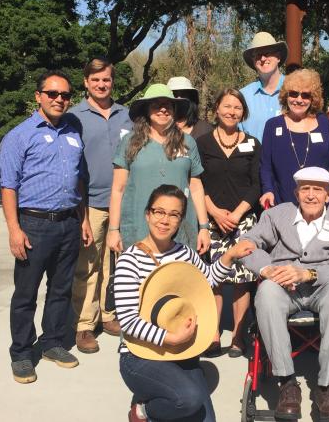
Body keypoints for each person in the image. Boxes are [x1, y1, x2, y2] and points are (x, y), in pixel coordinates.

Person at [115, 184, 255, 422]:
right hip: (140, 356)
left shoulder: (185, 254)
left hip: (181, 352)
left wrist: (230, 256)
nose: (165, 220)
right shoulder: (130, 260)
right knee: (188, 400)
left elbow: (208, 279)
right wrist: (169, 338)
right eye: (159, 212)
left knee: (206, 418)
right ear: (147, 214)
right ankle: (143, 410)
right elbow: (128, 321)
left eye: (174, 214)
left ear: (180, 220)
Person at [0, 70, 93, 384]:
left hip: (68, 223)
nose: (59, 99)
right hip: (34, 225)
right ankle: (22, 354)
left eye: (64, 95)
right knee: (26, 293)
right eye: (52, 93)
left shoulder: (72, 132)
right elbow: (9, 186)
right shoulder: (20, 136)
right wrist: (14, 229)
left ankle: (52, 343)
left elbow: (80, 179)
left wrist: (83, 219)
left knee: (61, 289)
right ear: (38, 96)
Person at [241, 167, 329, 422]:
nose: (311, 195)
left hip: (321, 286)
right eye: (306, 189)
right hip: (283, 287)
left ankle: (326, 387)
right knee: (266, 293)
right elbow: (249, 243)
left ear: (328, 195)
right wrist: (267, 269)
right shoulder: (277, 215)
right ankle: (287, 383)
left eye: (318, 190)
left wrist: (308, 274)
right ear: (296, 192)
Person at [67, 57, 133, 354]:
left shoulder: (127, 116)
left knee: (115, 265)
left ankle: (109, 315)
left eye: (106, 79)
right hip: (90, 203)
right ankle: (84, 324)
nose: (101, 84)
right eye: (95, 80)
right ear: (86, 83)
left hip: (122, 202)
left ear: (112, 81)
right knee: (88, 265)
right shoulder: (74, 117)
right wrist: (80, 212)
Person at [106, 84, 211, 255]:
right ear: (146, 109)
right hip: (139, 228)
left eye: (168, 105)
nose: (163, 110)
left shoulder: (187, 142)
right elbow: (118, 189)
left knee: (177, 279)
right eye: (156, 105)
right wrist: (113, 229)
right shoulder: (130, 142)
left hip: (180, 230)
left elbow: (196, 187)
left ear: (175, 110)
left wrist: (204, 227)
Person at [196, 88, 261, 357]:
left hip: (243, 219)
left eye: (237, 107)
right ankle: (212, 333)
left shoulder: (253, 143)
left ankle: (237, 334)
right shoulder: (202, 143)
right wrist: (213, 211)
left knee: (242, 279)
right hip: (211, 219)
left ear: (243, 112)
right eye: (227, 106)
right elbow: (196, 180)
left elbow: (257, 184)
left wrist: (236, 214)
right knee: (214, 278)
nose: (232, 111)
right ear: (216, 109)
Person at [260, 68, 329, 207]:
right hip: (283, 202)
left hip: (319, 204)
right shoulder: (272, 125)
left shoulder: (323, 122)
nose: (299, 100)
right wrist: (268, 190)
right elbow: (266, 166)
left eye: (305, 95)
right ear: (285, 96)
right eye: (293, 94)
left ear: (313, 99)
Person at [238, 31, 287, 141]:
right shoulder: (243, 96)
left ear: (278, 57)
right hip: (253, 157)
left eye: (267, 53)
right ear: (254, 61)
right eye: (258, 55)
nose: (263, 58)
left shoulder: (295, 91)